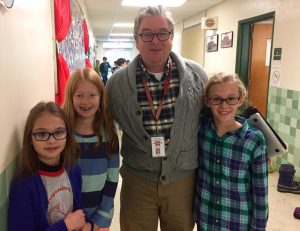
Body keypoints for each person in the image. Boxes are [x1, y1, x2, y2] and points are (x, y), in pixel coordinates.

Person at [106, 5, 207, 231]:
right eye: (147, 34)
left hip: (183, 181)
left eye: (163, 33)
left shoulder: (197, 76)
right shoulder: (116, 84)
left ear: (171, 37)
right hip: (137, 180)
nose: (155, 41)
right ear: (137, 39)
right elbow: (102, 128)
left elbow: (214, 121)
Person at [194, 73, 268, 231]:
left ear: (240, 100)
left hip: (238, 221)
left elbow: (260, 192)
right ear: (207, 101)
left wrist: (258, 227)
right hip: (205, 219)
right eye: (217, 99)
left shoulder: (254, 140)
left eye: (231, 98)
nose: (224, 105)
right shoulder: (200, 130)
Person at [8, 101, 90, 231]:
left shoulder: (73, 170)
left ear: (67, 135)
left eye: (59, 132)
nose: (51, 140)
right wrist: (65, 226)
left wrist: (87, 226)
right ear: (30, 139)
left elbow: (78, 214)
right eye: (41, 134)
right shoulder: (23, 185)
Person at [62, 67, 119, 231]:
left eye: (92, 95)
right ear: (71, 97)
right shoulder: (64, 132)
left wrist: (98, 220)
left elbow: (112, 179)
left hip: (101, 216)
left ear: (101, 97)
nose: (85, 101)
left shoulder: (108, 131)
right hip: (68, 216)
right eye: (79, 95)